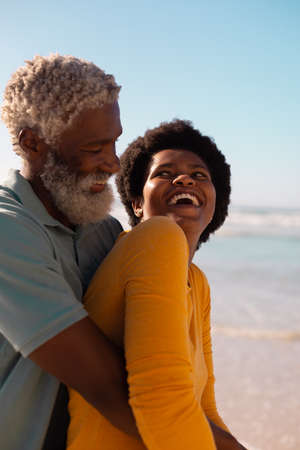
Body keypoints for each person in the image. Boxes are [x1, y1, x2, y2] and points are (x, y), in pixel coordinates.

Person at [67, 120, 247, 449]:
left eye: (200, 175)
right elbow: (161, 399)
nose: (184, 179)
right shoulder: (155, 238)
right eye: (164, 173)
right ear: (137, 203)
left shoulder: (197, 282)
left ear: (213, 205)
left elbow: (204, 407)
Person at [0, 54, 139, 450]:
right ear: (32, 143)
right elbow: (109, 387)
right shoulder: (5, 229)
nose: (113, 163)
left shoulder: (105, 231)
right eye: (95, 147)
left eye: (115, 142)